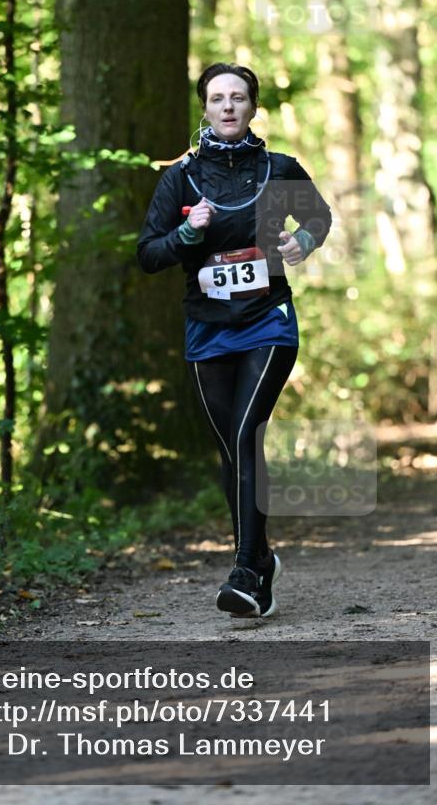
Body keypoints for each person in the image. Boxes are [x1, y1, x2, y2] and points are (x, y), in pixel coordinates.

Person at [136, 63, 332, 618]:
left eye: (238, 97)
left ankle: (247, 569)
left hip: (269, 320)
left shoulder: (278, 168)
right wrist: (187, 233)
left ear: (252, 107)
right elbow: (148, 254)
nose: (228, 106)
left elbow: (319, 215)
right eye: (217, 97)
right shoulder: (182, 177)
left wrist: (304, 241)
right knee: (232, 448)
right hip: (207, 326)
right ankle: (262, 557)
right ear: (204, 106)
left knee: (247, 432)